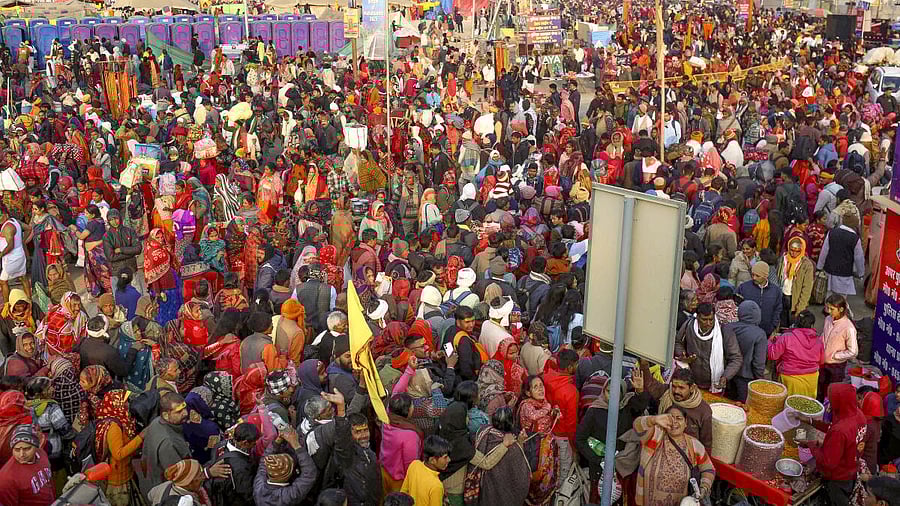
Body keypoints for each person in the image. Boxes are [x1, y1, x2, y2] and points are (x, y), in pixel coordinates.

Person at [799, 384, 867, 505]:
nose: (830, 405)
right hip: (850, 469)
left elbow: (828, 462)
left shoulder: (840, 430)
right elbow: (834, 428)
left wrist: (811, 445)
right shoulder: (858, 415)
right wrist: (810, 421)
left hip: (837, 478)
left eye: (831, 401)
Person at [633, 407, 716, 505]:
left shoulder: (694, 445)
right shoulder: (654, 436)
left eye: (679, 418)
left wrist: (704, 488)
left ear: (685, 423)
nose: (674, 421)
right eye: (670, 418)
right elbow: (637, 427)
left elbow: (708, 469)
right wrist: (654, 419)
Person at [464, 407, 531, 506]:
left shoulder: (483, 432)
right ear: (511, 423)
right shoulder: (512, 447)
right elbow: (521, 474)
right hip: (503, 492)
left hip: (486, 489)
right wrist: (520, 442)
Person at [674, 302, 743, 392]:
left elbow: (736, 358)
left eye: (711, 319)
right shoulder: (688, 325)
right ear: (697, 317)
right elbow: (678, 343)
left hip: (715, 384)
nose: (708, 323)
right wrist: (683, 356)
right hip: (691, 381)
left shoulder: (724, 331)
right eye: (704, 319)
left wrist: (726, 377)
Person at [252, 426, 318, 506]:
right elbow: (309, 474)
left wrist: (278, 440)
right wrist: (296, 444)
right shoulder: (287, 496)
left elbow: (263, 462)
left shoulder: (258, 486)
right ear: (289, 474)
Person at [767, 310, 825, 398]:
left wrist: (769, 342)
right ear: (812, 325)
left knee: (789, 407)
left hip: (790, 378)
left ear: (796, 322)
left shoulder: (786, 337)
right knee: (806, 406)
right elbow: (821, 361)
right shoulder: (818, 341)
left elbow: (773, 355)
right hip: (811, 379)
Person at [0, 424, 55, 506]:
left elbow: (49, 483)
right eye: (17, 450)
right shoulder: (6, 478)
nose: (22, 454)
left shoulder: (42, 454)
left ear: (36, 446)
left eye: (27, 448)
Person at [208, 422, 259, 506]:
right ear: (245, 443)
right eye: (254, 443)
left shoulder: (220, 445)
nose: (255, 445)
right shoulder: (242, 467)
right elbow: (246, 493)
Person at [724, 301, 767, 402]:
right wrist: (760, 380)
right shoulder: (760, 334)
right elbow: (758, 363)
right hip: (746, 378)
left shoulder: (728, 327)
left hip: (726, 374)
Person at [819, 294, 858, 402]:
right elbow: (824, 335)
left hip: (837, 366)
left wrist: (836, 356)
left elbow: (853, 351)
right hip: (823, 362)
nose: (829, 311)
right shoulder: (828, 319)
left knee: (833, 391)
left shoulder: (848, 327)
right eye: (828, 308)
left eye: (832, 309)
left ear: (840, 309)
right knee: (820, 388)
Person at [817, 213, 865, 297]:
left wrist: (819, 267)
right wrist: (861, 273)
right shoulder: (855, 239)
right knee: (841, 299)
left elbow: (824, 252)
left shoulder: (831, 233)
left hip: (829, 271)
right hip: (844, 273)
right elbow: (859, 258)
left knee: (829, 296)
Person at [736, 261, 782, 336]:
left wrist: (773, 326)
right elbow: (736, 306)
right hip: (746, 331)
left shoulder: (775, 291)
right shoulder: (743, 288)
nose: (754, 278)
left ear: (765, 276)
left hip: (767, 331)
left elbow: (778, 309)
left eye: (757, 276)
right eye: (753, 275)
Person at [777, 236, 815, 326]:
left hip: (795, 300)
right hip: (782, 296)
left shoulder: (806, 265)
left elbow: (806, 289)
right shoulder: (783, 259)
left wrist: (800, 307)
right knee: (781, 324)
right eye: (791, 250)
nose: (793, 253)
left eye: (797, 251)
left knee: (793, 325)